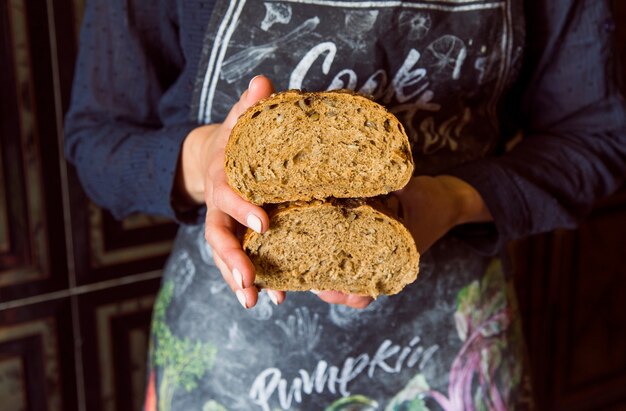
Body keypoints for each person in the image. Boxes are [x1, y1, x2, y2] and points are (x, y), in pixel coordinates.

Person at [64, 0, 626, 410]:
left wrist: (450, 200)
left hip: (449, 351)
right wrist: (210, 156)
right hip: (229, 357)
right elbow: (97, 138)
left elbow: (596, 136)